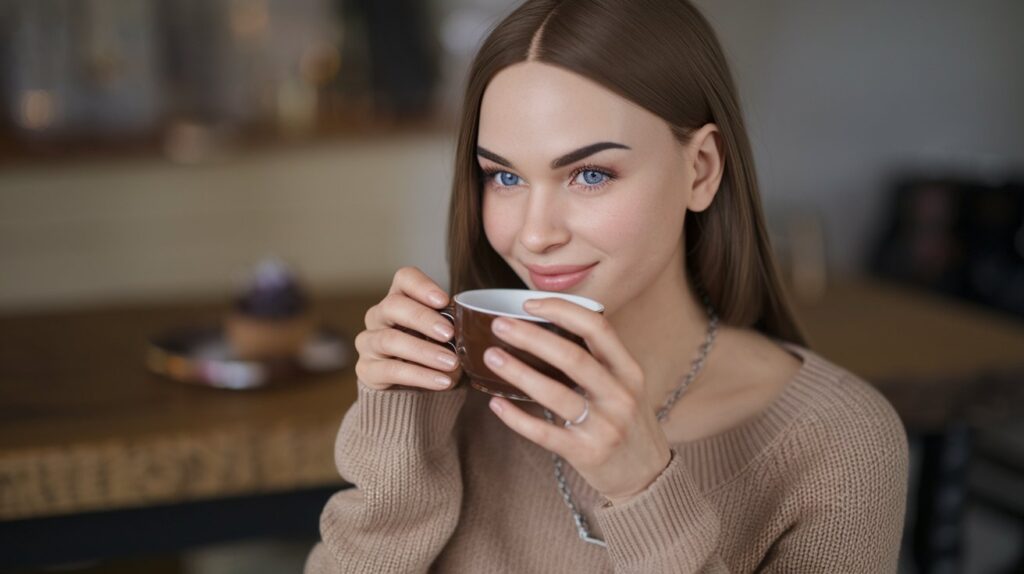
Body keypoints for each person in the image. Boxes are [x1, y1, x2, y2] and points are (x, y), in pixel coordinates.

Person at [304, 0, 909, 571]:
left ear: (700, 170)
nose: (535, 235)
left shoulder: (840, 443)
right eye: (504, 177)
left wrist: (646, 491)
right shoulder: (451, 406)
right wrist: (400, 452)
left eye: (590, 174)